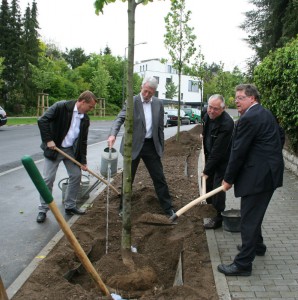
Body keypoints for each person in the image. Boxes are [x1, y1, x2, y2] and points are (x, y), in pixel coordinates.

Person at [218, 84, 284, 276]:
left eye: (240, 98)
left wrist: (228, 179)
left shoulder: (249, 118)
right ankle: (258, 246)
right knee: (255, 214)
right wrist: (270, 156)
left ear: (252, 98)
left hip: (259, 177)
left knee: (248, 218)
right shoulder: (264, 113)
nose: (236, 101)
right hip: (268, 173)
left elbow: (238, 152)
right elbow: (280, 134)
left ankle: (243, 264)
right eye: (235, 98)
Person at [107, 76, 174, 217]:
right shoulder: (132, 101)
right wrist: (113, 134)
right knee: (127, 179)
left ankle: (168, 209)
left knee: (159, 178)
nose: (147, 95)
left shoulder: (158, 104)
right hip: (133, 145)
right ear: (141, 87)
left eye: (150, 92)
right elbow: (119, 118)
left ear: (154, 92)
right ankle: (123, 208)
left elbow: (160, 127)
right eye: (145, 91)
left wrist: (160, 147)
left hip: (151, 146)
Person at [36, 91, 97, 223]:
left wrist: (83, 161)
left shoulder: (85, 119)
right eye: (90, 106)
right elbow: (42, 120)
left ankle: (70, 206)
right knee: (48, 179)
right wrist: (48, 140)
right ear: (82, 102)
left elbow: (83, 142)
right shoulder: (61, 107)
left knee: (76, 175)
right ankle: (43, 209)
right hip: (54, 149)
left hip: (69, 151)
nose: (91, 109)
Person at [202, 94, 234, 229]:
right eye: (210, 107)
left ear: (223, 109)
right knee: (207, 187)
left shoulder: (227, 123)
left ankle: (218, 218)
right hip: (210, 157)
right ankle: (209, 212)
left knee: (217, 189)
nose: (211, 111)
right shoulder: (207, 115)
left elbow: (218, 151)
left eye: (215, 109)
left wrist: (206, 171)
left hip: (222, 161)